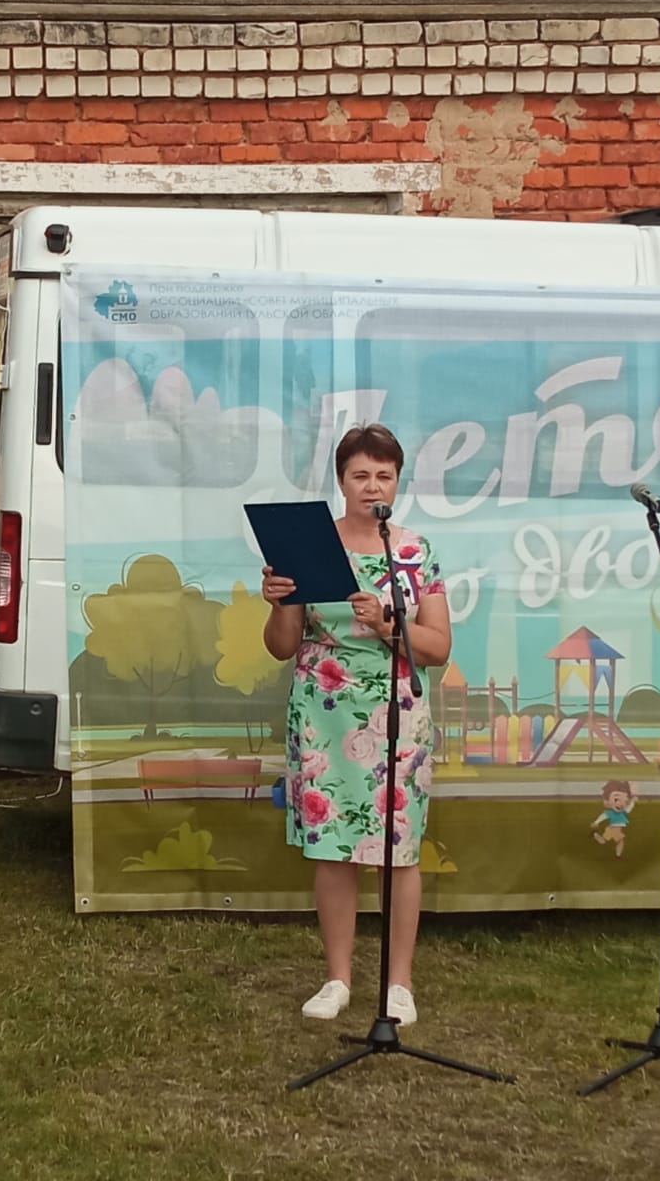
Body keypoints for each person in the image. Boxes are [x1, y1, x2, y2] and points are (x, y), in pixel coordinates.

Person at [260, 424, 450, 1026]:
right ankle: (337, 978)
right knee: (334, 846)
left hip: (397, 712)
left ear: (398, 482)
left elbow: (438, 646)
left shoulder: (415, 551)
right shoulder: (309, 545)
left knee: (399, 849)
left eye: (383, 476)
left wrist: (391, 624)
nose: (372, 486)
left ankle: (399, 984)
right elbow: (282, 645)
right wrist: (280, 601)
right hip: (324, 712)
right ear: (341, 481)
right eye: (360, 475)